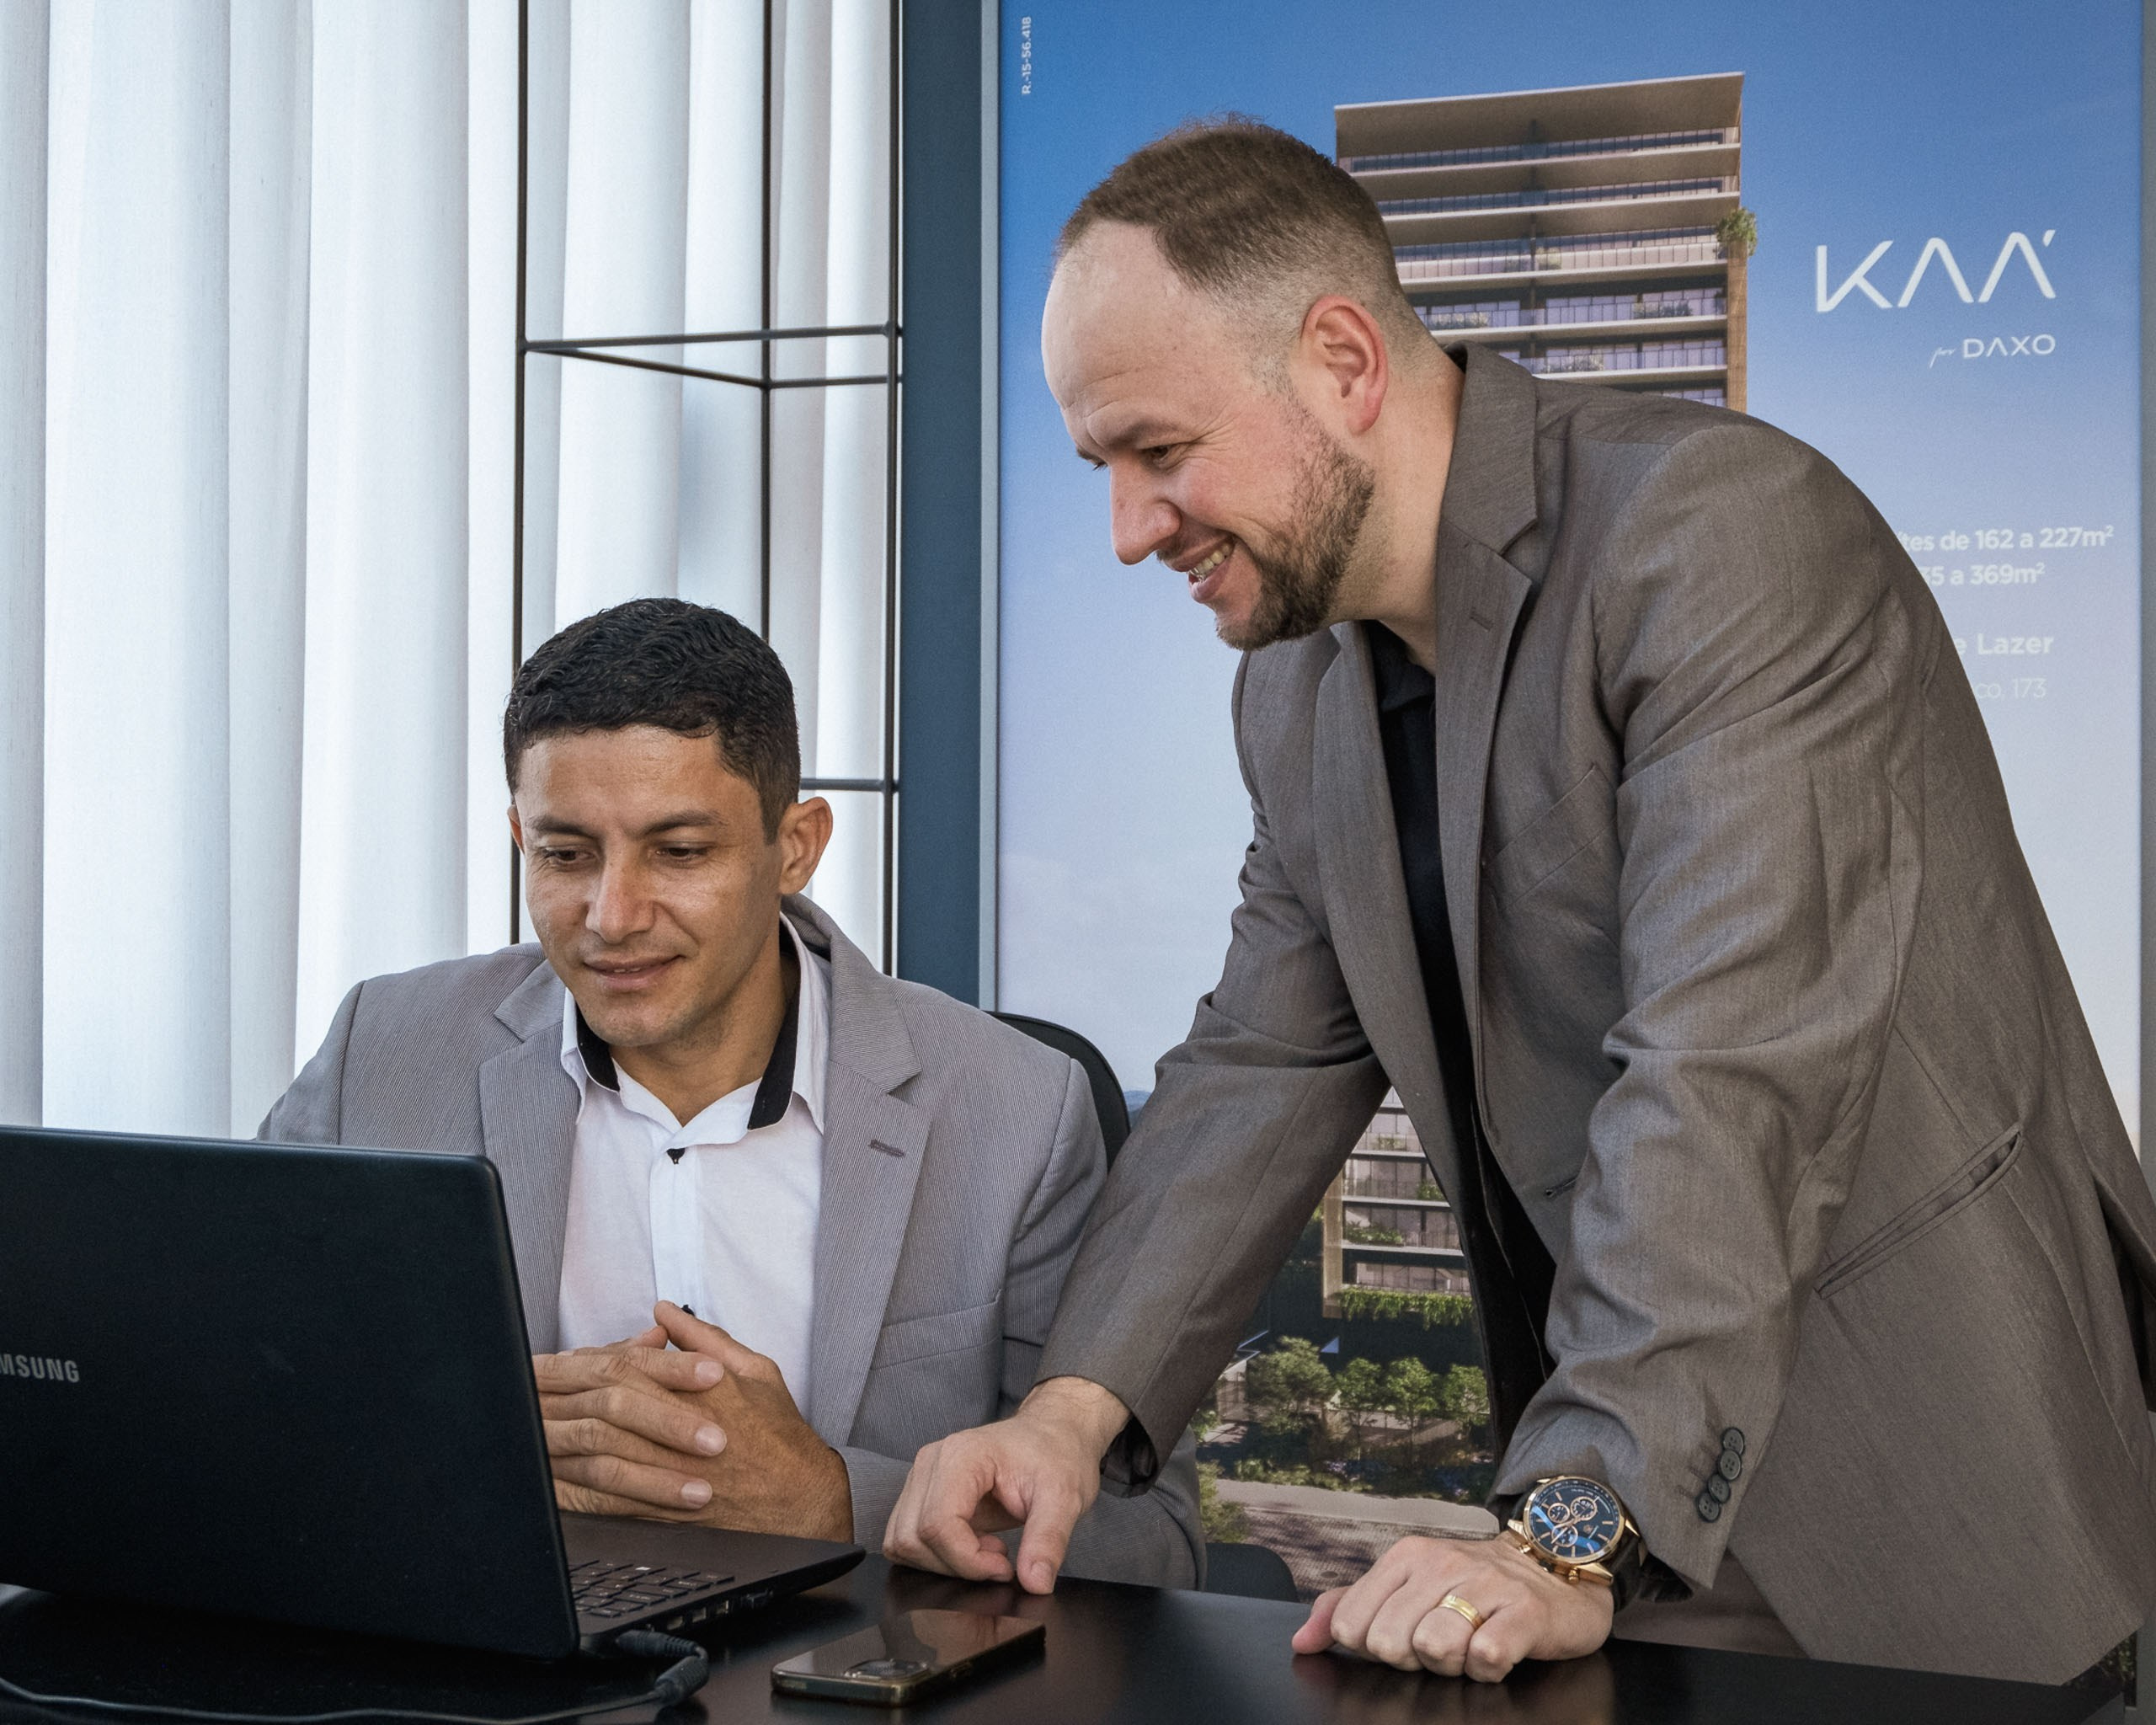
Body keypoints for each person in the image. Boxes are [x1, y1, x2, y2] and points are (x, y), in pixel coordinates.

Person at [882, 119, 2156, 1686]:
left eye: (1160, 452)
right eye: (1102, 469)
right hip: (1602, 1514)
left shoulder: (1720, 534)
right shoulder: (1291, 686)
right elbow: (1263, 1064)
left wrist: (1570, 1525)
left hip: (1914, 1488)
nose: (1131, 529)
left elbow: (1728, 1070)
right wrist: (1068, 1410)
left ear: (1344, 359)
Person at [263, 598, 1199, 1587]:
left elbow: (1152, 1546)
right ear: (517, 837)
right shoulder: (381, 1050)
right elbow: (235, 1397)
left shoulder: (1021, 1111)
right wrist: (465, 1437)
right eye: (565, 853)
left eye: (680, 851)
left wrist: (832, 1500)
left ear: (795, 845)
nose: (611, 916)